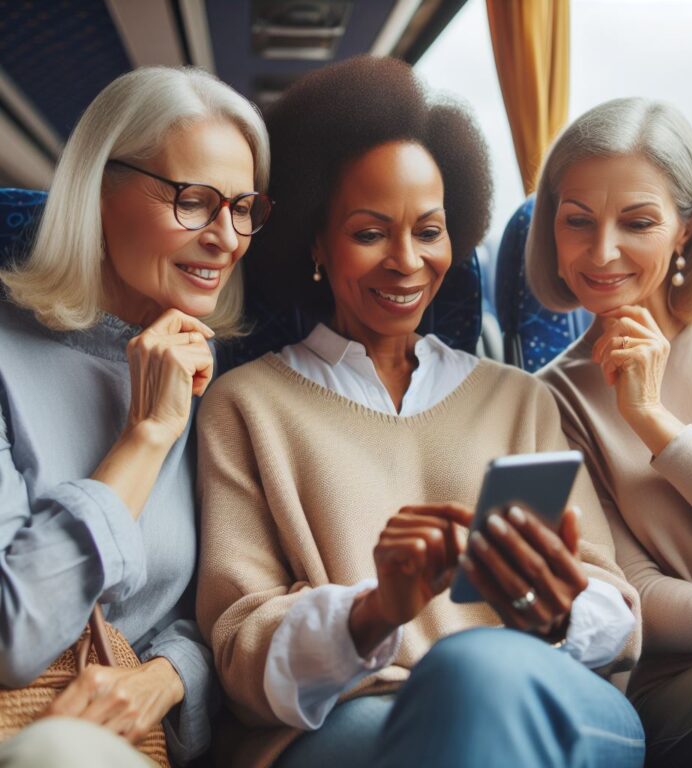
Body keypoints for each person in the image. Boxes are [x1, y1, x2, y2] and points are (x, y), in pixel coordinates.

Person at [196, 56, 644, 768]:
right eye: (371, 233)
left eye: (429, 232)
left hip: (533, 688)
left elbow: (619, 619)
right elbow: (238, 650)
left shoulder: (520, 398)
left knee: (481, 679)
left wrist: (560, 611)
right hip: (355, 719)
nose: (407, 262)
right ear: (316, 240)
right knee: (462, 683)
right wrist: (374, 611)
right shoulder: (244, 407)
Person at [0, 65, 271, 767]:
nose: (227, 237)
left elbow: (213, 616)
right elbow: (13, 632)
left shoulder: (221, 381)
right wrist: (145, 436)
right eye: (193, 200)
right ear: (97, 192)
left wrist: (167, 677)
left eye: (242, 207)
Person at [530, 97, 692, 767]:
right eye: (578, 221)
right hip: (676, 684)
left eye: (637, 222)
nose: (601, 252)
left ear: (687, 228)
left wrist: (661, 429)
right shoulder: (544, 400)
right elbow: (637, 596)